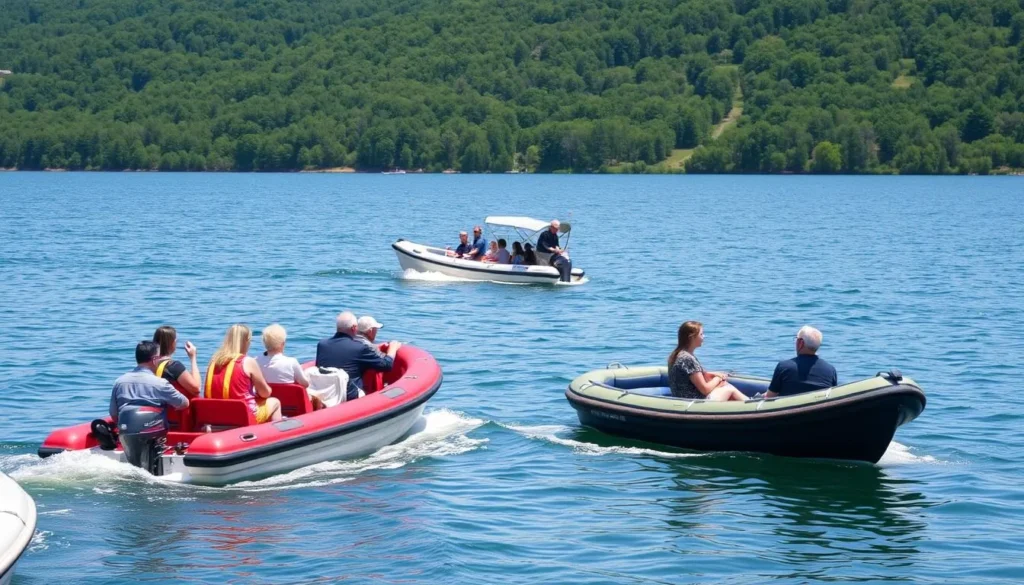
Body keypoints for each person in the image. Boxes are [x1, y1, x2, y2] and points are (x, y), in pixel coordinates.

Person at [316, 311, 401, 400]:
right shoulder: (359, 348)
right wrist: (392, 348)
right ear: (353, 328)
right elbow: (386, 365)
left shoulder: (322, 345)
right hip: (350, 396)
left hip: (327, 393)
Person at [205, 324, 282, 423]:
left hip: (216, 415)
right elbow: (265, 393)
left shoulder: (213, 361)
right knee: (275, 402)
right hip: (244, 415)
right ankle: (273, 436)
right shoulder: (248, 361)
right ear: (246, 342)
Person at [108, 341, 190, 425]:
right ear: (154, 360)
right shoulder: (161, 383)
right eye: (159, 357)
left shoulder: (119, 382)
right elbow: (184, 403)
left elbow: (113, 414)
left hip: (125, 433)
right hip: (154, 433)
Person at [667, 321, 746, 402]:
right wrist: (718, 379)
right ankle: (752, 405)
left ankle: (749, 403)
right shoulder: (687, 359)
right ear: (691, 337)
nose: (704, 336)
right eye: (701, 334)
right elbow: (705, 389)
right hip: (693, 403)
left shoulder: (678, 354)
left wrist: (715, 374)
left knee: (724, 386)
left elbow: (696, 375)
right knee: (729, 389)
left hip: (683, 399)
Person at [765, 326, 838, 398]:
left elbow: (769, 398)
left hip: (790, 408)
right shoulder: (830, 370)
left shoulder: (783, 367)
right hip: (819, 408)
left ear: (800, 343)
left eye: (796, 339)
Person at [152, 325, 201, 398]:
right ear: (172, 343)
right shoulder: (174, 367)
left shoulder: (149, 364)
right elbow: (196, 389)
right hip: (176, 408)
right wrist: (193, 358)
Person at [255, 323, 310, 388]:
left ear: (264, 343)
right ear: (282, 344)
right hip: (289, 397)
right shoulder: (291, 362)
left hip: (266, 397)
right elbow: (305, 384)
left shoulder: (255, 361)